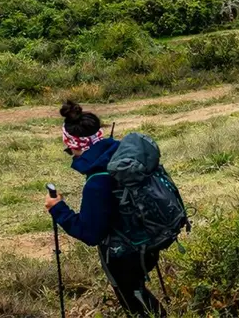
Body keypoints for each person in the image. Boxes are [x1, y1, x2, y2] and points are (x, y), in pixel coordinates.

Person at [44, 101, 164, 316]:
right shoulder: (121, 157)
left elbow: (90, 233)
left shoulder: (97, 182)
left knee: (136, 304)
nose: (69, 153)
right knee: (139, 295)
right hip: (149, 239)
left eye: (68, 149)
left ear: (75, 146)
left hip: (125, 252)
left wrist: (58, 209)